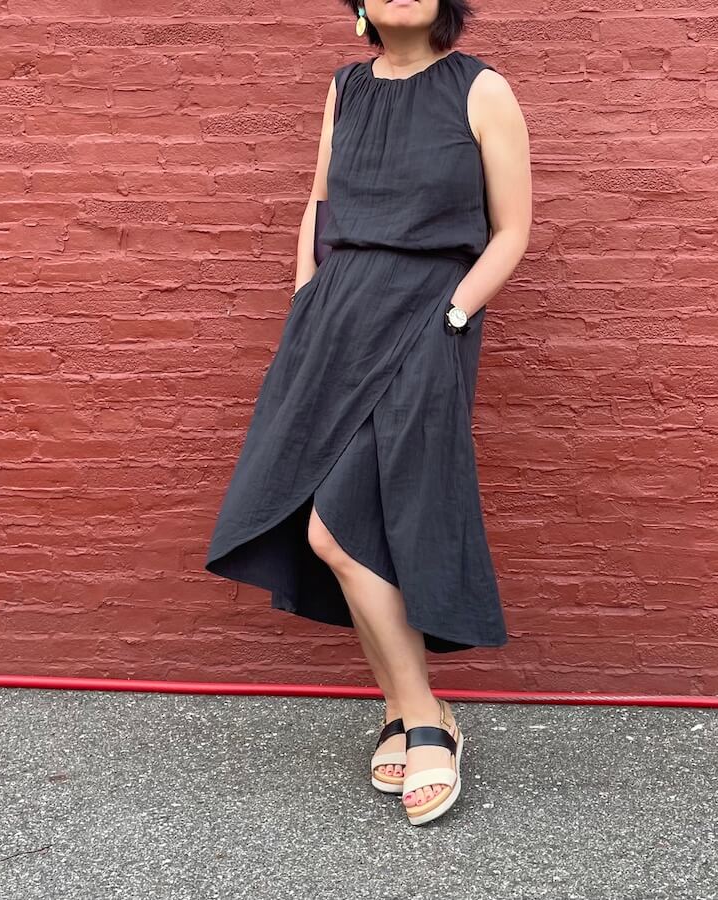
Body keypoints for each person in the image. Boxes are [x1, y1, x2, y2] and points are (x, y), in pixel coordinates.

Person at [204, 0, 532, 825]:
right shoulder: (345, 89)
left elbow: (513, 229)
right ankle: (401, 710)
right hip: (335, 321)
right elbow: (317, 208)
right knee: (349, 525)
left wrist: (453, 317)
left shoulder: (482, 89)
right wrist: (303, 305)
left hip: (425, 316)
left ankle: (427, 720)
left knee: (336, 527)